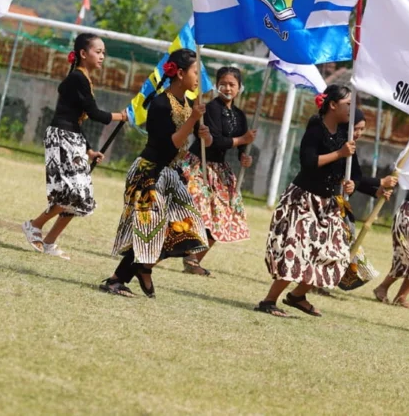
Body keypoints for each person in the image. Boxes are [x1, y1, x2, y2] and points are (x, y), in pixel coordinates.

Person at [100, 49, 210, 298]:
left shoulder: (187, 104)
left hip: (170, 174)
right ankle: (118, 279)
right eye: (196, 72)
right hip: (149, 173)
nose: (198, 78)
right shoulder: (161, 103)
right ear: (180, 74)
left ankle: (143, 267)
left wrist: (205, 134)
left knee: (186, 228)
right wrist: (192, 120)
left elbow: (192, 144)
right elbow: (168, 144)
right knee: (148, 229)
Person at [255, 85, 359, 317]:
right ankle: (269, 301)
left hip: (328, 204)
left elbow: (351, 169)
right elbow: (309, 162)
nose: (353, 109)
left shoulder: (345, 133)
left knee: (337, 255)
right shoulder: (315, 129)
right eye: (348, 104)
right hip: (303, 201)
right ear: (332, 105)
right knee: (298, 252)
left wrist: (350, 182)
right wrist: (339, 154)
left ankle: (297, 296)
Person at [22, 33, 128, 260]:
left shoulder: (84, 79)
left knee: (82, 199)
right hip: (61, 138)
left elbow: (77, 119)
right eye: (98, 52)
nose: (102, 57)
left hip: (73, 139)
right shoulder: (78, 78)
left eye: (103, 53)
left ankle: (49, 241)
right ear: (83, 53)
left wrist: (89, 150)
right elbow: (94, 114)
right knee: (71, 192)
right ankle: (34, 225)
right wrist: (122, 116)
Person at [178, 66, 255, 276]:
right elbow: (215, 142)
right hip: (198, 167)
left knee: (223, 216)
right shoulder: (209, 109)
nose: (227, 88)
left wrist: (244, 156)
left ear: (240, 88)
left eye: (232, 84)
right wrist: (242, 140)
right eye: (223, 83)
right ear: (216, 85)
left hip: (220, 172)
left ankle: (193, 260)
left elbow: (241, 148)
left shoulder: (240, 115)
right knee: (197, 213)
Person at [334, 109, 396, 292]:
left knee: (342, 245)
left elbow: (355, 178)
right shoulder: (339, 144)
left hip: (341, 206)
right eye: (357, 128)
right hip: (330, 205)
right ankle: (315, 283)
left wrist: (375, 191)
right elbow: (348, 178)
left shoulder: (351, 147)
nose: (359, 133)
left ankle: (323, 282)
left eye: (362, 129)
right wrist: (380, 182)